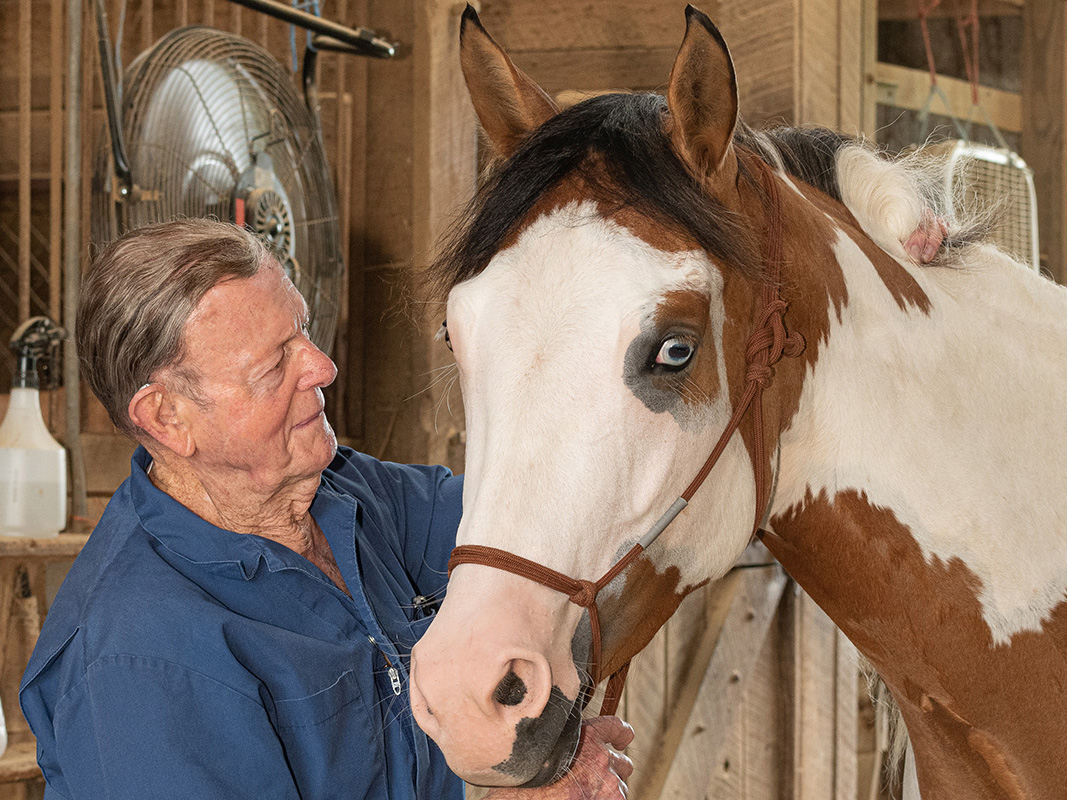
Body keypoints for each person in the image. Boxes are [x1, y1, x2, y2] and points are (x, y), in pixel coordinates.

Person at [19, 218, 634, 799]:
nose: (323, 367)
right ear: (168, 418)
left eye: (303, 331)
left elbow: (536, 521)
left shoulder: (347, 492)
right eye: (273, 363)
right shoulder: (138, 659)